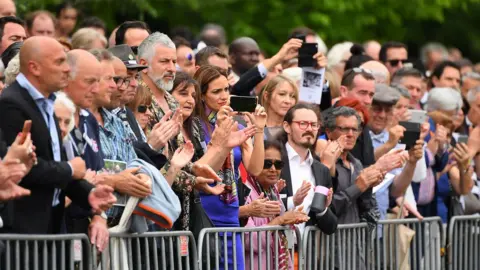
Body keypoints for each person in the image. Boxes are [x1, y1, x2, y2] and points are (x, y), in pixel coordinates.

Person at [0, 36, 116, 235]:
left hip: (50, 228)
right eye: (59, 62)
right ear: (34, 68)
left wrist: (89, 194)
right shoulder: (12, 104)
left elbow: (54, 162)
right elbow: (21, 169)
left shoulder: (48, 103)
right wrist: (70, 168)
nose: (67, 69)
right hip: (21, 231)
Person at [244, 139, 311, 270]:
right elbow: (251, 242)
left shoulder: (273, 193)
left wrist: (289, 220)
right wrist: (281, 220)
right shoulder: (245, 192)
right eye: (267, 163)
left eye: (278, 164)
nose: (273, 169)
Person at [338, 68, 376, 166]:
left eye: (371, 95)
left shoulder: (363, 124)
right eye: (362, 93)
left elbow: (368, 163)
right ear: (343, 91)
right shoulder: (328, 122)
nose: (368, 101)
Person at [259, 74, 298, 139]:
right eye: (282, 94)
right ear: (267, 96)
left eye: (292, 96)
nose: (288, 101)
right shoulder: (250, 125)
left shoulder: (297, 129)